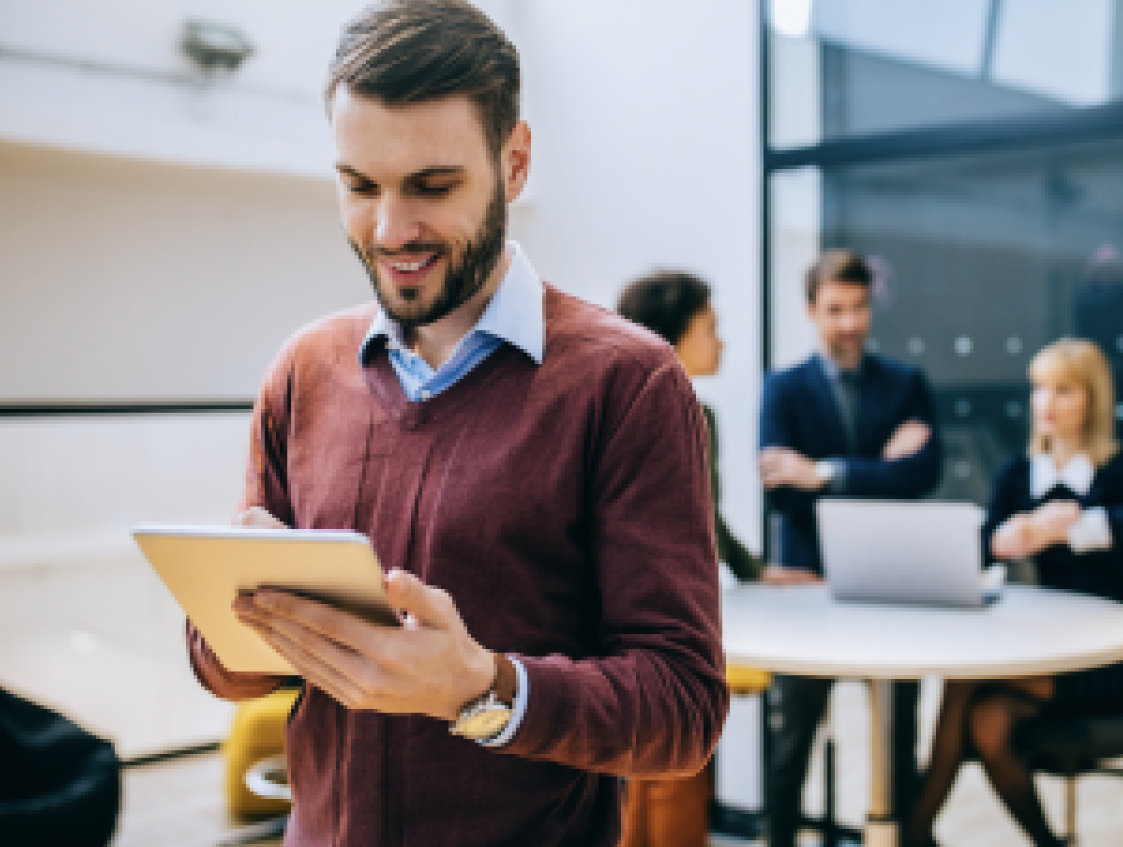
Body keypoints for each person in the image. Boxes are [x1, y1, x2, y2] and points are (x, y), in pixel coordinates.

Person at [183, 3, 728, 845]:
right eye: (360, 186)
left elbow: (684, 708)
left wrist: (480, 687)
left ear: (514, 163)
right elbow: (223, 667)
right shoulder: (303, 370)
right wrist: (237, 621)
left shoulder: (629, 382)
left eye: (432, 186)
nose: (391, 230)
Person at [902, 338, 1123, 847]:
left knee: (961, 681)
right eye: (1040, 389)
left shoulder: (1121, 466)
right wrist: (1005, 540)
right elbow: (982, 543)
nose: (1046, 403)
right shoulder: (1019, 473)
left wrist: (1072, 526)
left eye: (1063, 391)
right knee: (986, 723)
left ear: (1092, 400)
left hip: (1107, 656)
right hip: (1049, 648)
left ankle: (915, 831)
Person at [758, 248, 943, 847]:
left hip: (892, 589)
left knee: (899, 740)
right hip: (808, 589)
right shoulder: (782, 389)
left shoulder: (908, 383)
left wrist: (824, 474)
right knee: (790, 751)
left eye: (859, 308)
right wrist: (874, 471)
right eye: (835, 309)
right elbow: (784, 499)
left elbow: (923, 476)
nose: (849, 323)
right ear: (811, 311)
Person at [612, 270, 765, 847]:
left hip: (617, 613)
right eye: (710, 328)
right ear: (673, 336)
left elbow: (707, 519)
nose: (720, 342)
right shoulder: (689, 416)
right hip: (662, 615)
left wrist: (756, 572)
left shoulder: (614, 404)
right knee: (675, 762)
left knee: (647, 770)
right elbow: (695, 528)